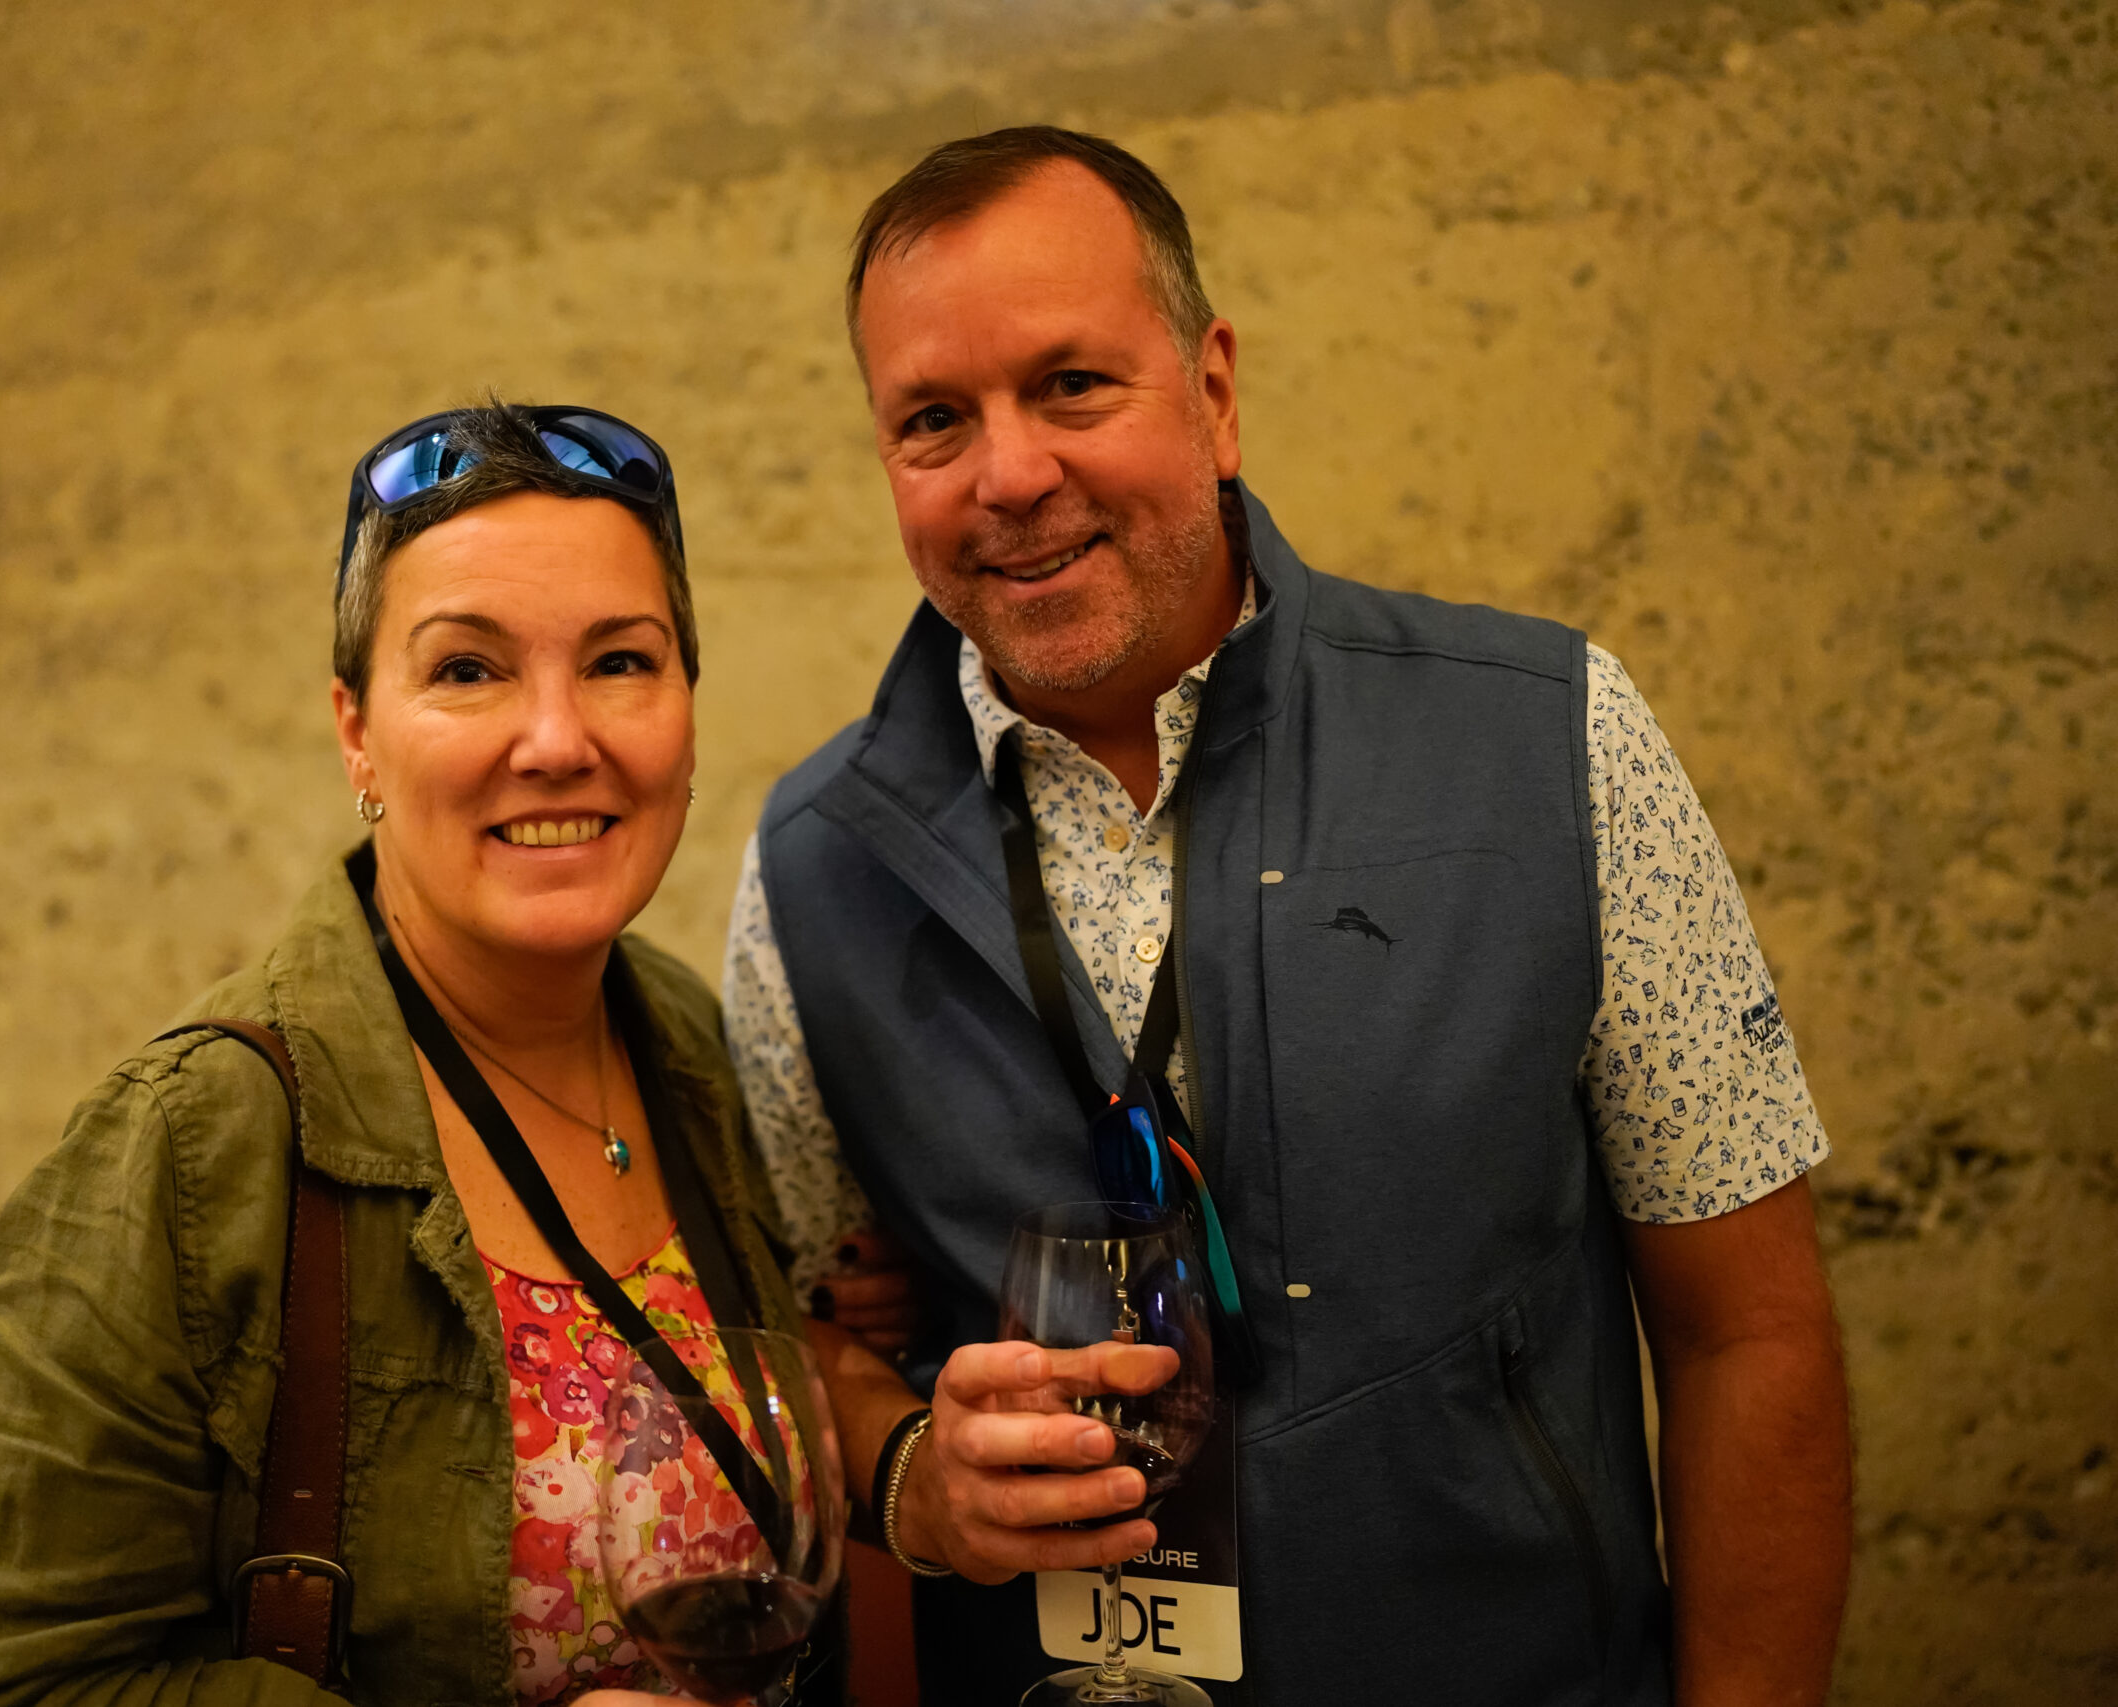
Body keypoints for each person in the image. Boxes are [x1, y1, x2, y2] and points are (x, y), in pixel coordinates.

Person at [727, 128, 1853, 1705]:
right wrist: (914, 1469)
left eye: (1072, 386)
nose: (1010, 475)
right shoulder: (810, 873)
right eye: (934, 420)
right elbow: (778, 1340)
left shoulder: (1552, 744)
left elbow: (1752, 1341)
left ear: (1215, 392)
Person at [0, 400, 1019, 1707]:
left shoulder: (687, 1047)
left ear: (687, 715)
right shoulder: (189, 1149)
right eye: (469, 671)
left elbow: (771, 1373)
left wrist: (914, 1465)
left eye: (620, 661)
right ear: (357, 732)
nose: (558, 740)